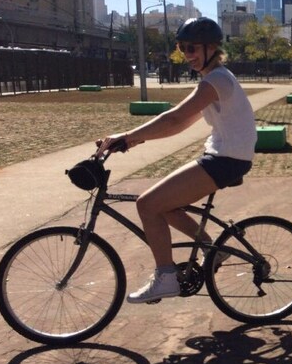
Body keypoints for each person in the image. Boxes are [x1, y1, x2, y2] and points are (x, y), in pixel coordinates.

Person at [96, 17, 257, 304]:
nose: (188, 55)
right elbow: (180, 125)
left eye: (192, 48)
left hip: (227, 159)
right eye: (183, 48)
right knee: (162, 204)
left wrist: (127, 135)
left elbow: (174, 117)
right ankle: (211, 248)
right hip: (224, 156)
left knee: (147, 204)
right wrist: (132, 140)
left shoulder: (216, 80)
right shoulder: (215, 79)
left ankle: (166, 277)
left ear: (211, 48)